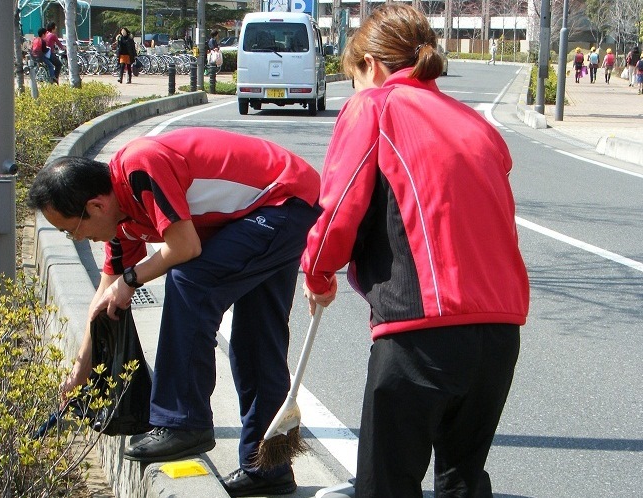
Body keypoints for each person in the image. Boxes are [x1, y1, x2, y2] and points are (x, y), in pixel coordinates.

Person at [301, 5, 529, 498]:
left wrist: (317, 273)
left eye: (353, 77)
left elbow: (338, 206)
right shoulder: (478, 125)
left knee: (387, 485)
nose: (354, 90)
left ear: (372, 65)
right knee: (461, 483)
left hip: (421, 335)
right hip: (499, 333)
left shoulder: (376, 105)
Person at [27, 128, 321, 497]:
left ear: (96, 206)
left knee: (190, 283)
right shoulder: (123, 221)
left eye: (73, 231)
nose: (80, 240)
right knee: (256, 338)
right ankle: (268, 466)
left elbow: (184, 246)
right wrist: (80, 370)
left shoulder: (140, 166)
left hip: (285, 201)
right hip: (268, 210)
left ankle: (183, 421)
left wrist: (131, 280)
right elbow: (103, 296)